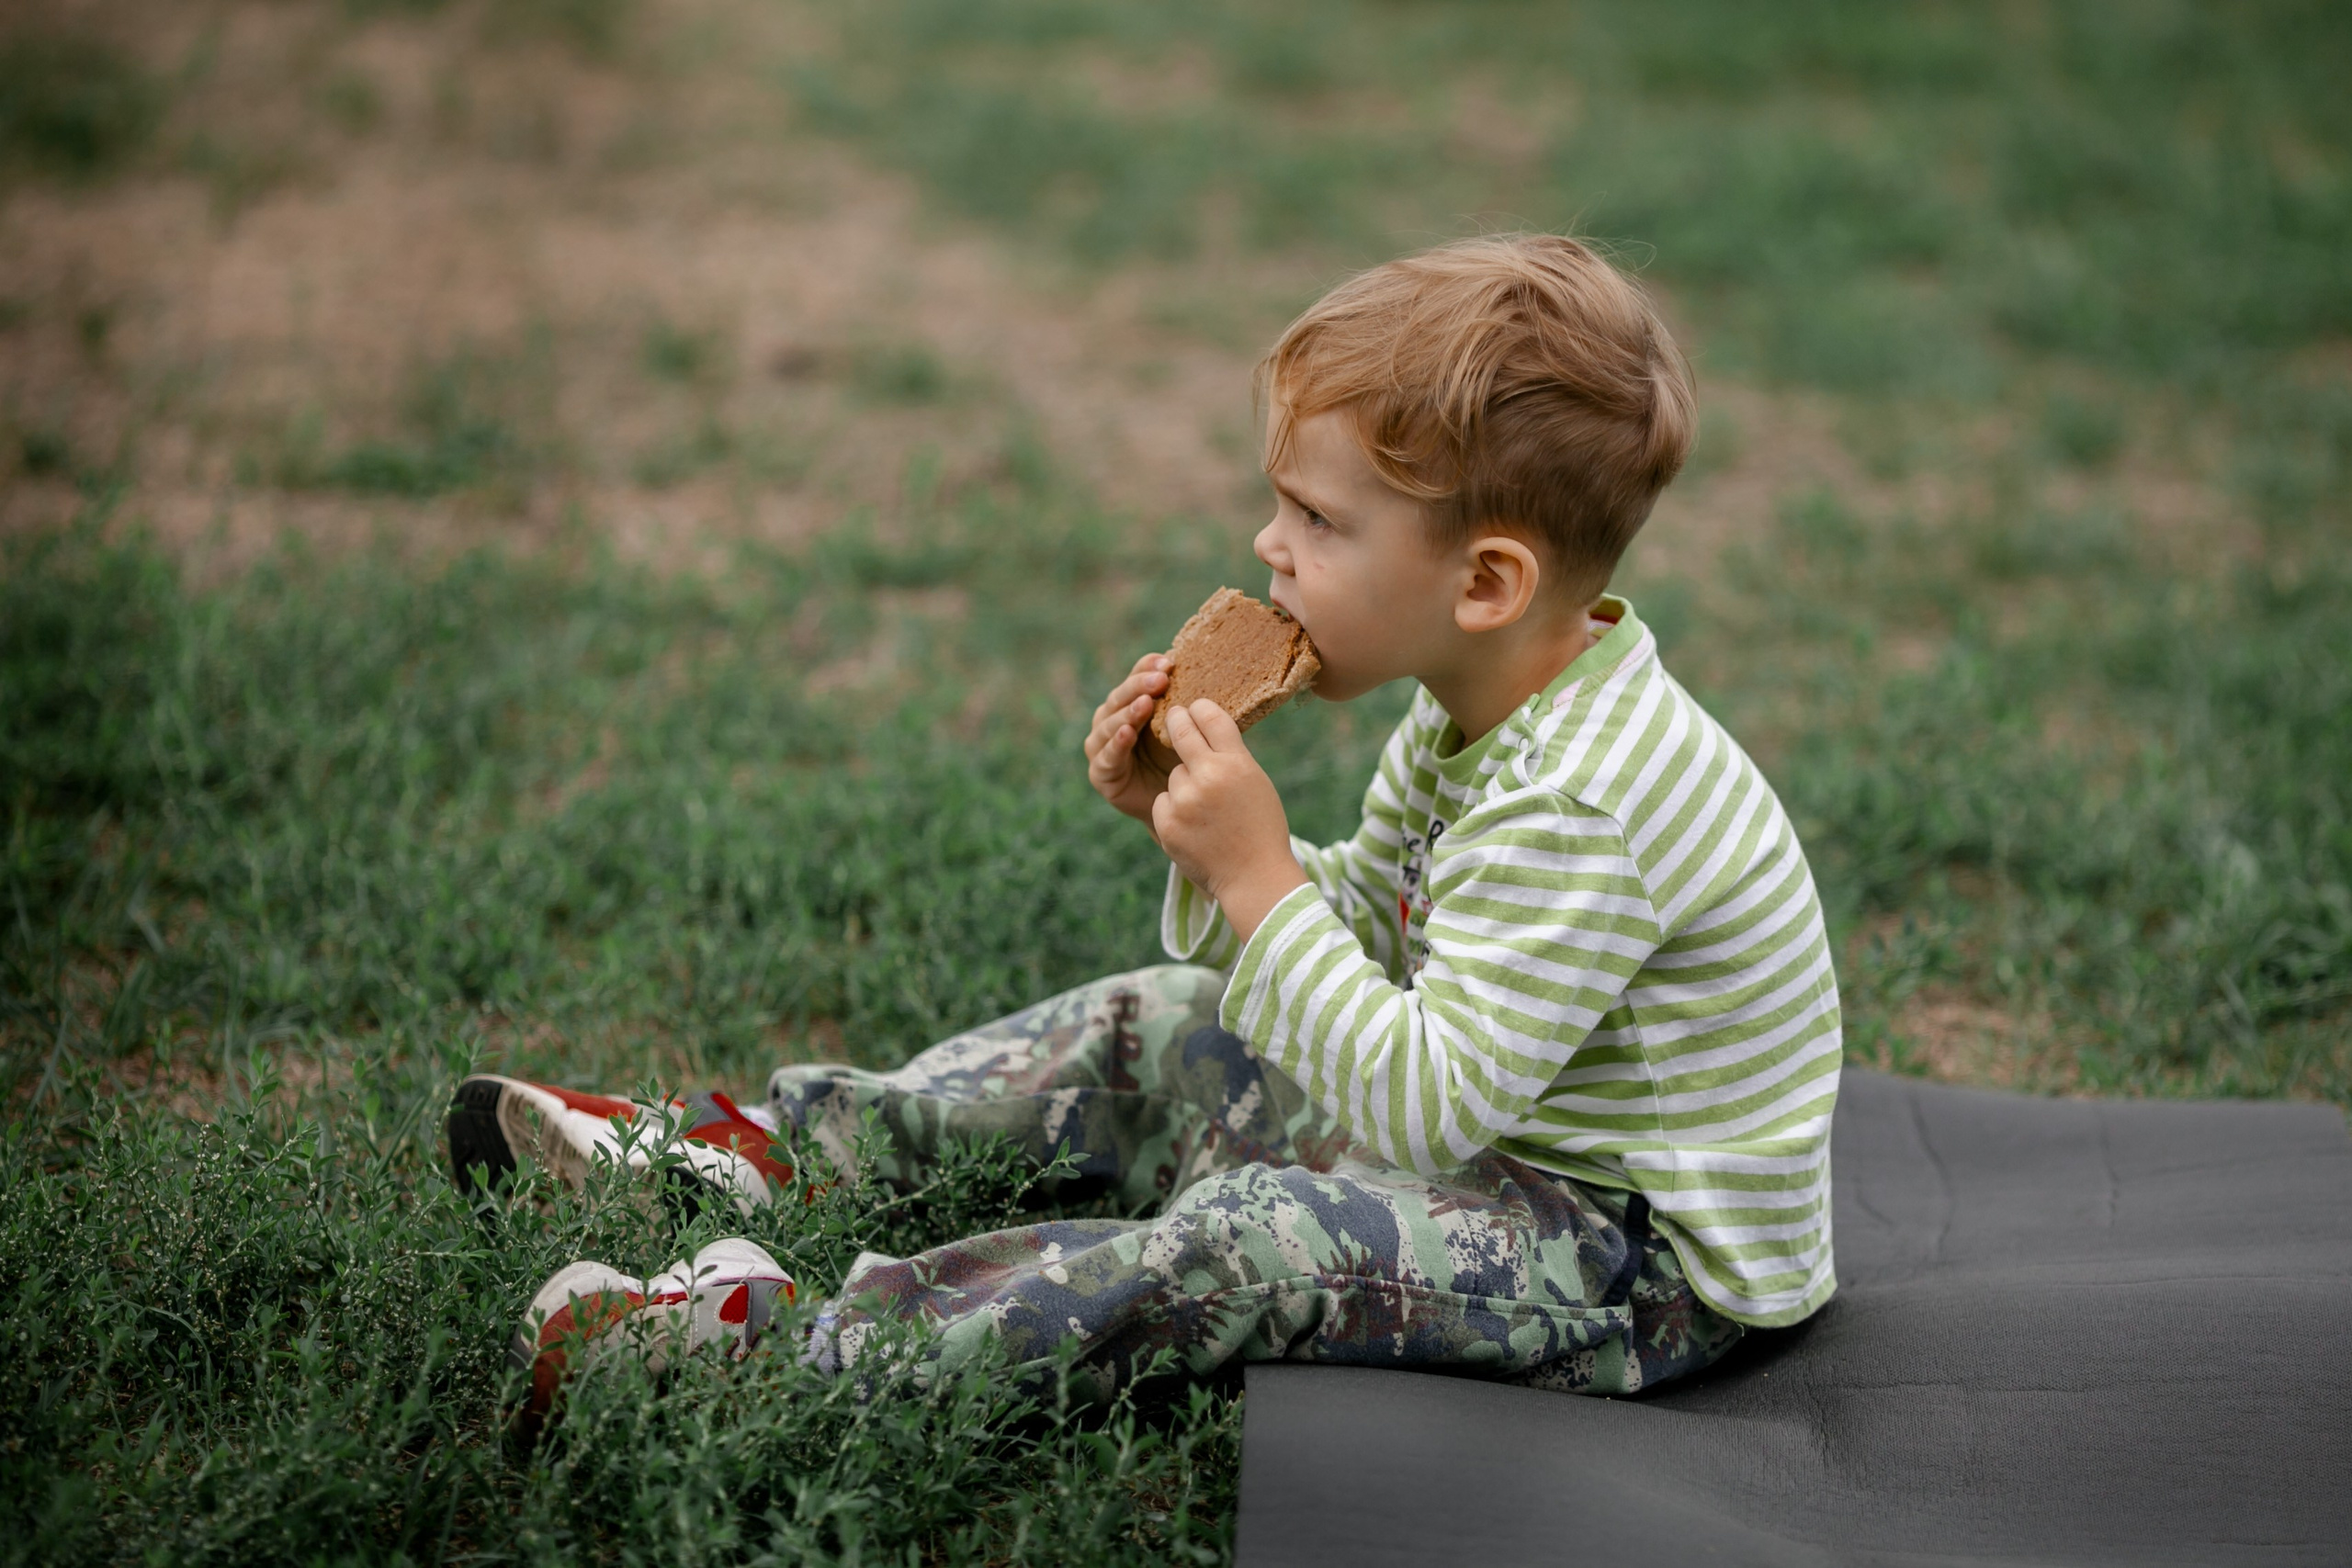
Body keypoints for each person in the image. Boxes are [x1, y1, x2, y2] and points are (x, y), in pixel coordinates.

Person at [457, 233, 1842, 1427]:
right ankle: (750, 1154)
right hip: (1502, 1155)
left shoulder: (1584, 800)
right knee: (1176, 1018)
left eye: (1316, 517)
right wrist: (1204, 843)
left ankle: (792, 1355)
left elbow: (1428, 1102)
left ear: (1486, 581)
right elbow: (1379, 928)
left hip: (1632, 1262)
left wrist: (1258, 874)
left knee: (1251, 1242)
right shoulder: (1471, 713)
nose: (1268, 548)